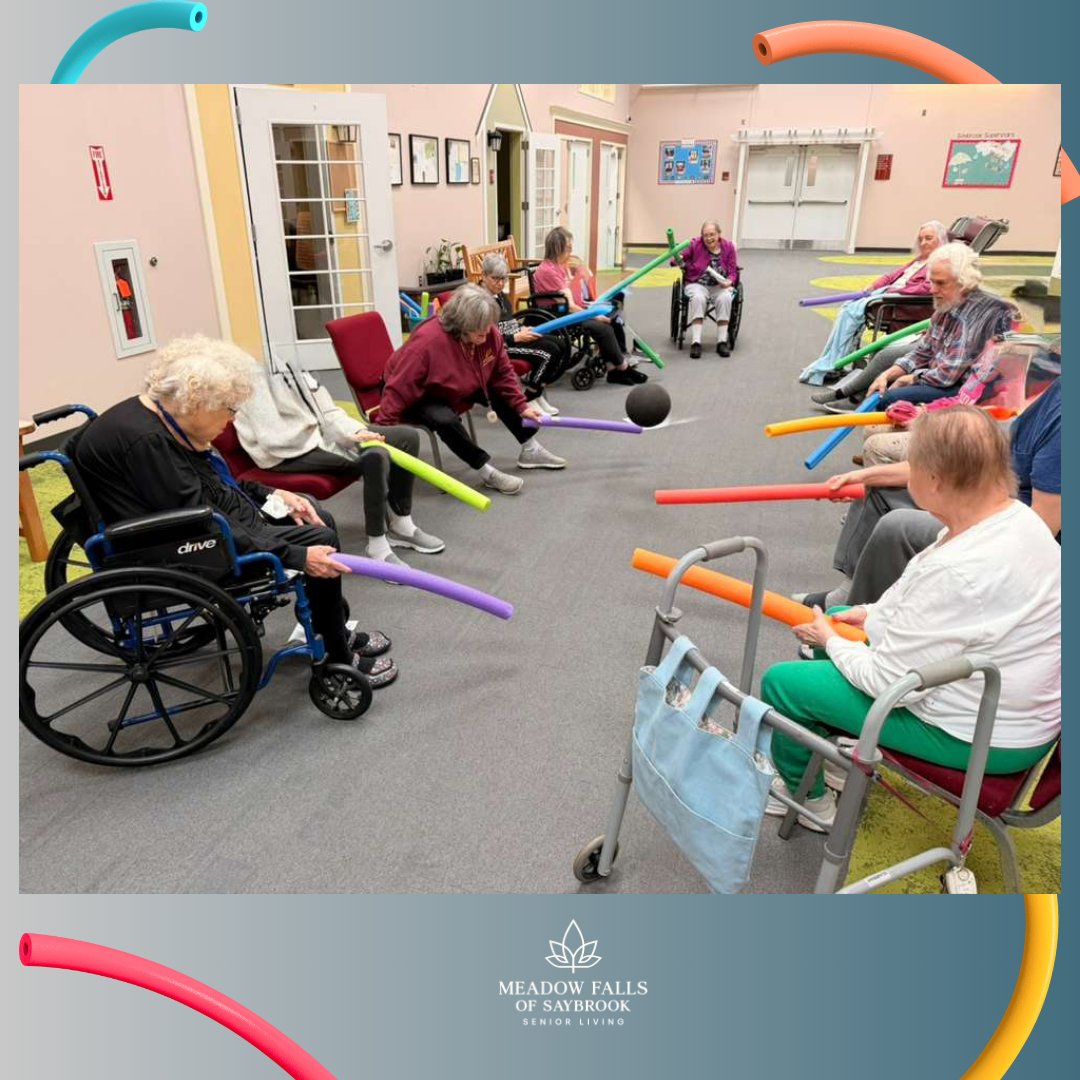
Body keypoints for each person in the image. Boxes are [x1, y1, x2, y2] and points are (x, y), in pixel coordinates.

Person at [764, 407, 1060, 830]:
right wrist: (868, 615)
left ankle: (809, 802)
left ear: (935, 480)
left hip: (980, 737)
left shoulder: (959, 570)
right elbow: (937, 604)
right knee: (839, 618)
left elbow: (889, 682)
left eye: (913, 465)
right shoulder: (1013, 518)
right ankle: (834, 762)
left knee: (783, 683)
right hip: (1013, 712)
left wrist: (831, 640)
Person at [72, 335, 397, 687]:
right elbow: (200, 521)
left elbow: (209, 487)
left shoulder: (162, 417)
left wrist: (272, 493)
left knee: (315, 519)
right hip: (177, 549)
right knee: (318, 537)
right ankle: (337, 653)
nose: (233, 417)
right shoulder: (150, 443)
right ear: (197, 403)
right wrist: (296, 556)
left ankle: (329, 628)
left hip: (189, 525)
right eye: (228, 408)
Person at [796, 378, 1061, 611]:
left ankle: (856, 620)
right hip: (987, 501)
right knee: (877, 490)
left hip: (1002, 528)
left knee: (897, 526)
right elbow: (959, 463)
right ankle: (851, 593)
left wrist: (954, 543)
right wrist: (864, 477)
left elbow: (1038, 534)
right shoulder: (1054, 392)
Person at [233, 355, 443, 569]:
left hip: (318, 438)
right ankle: (377, 546)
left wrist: (356, 432)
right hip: (285, 453)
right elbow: (274, 439)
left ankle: (401, 524)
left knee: (407, 437)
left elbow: (328, 412)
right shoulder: (253, 380)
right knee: (375, 456)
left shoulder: (287, 364)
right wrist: (336, 441)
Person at [378, 284, 562, 494]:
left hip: (458, 381)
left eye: (488, 326)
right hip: (421, 392)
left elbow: (503, 373)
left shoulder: (488, 333)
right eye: (479, 330)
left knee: (500, 389)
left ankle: (530, 449)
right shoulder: (427, 344)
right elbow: (398, 389)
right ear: (460, 325)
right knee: (445, 419)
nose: (486, 333)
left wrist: (522, 407)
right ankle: (486, 471)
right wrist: (383, 432)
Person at [811, 243, 1017, 410]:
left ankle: (898, 436)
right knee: (888, 376)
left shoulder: (978, 313)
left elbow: (947, 375)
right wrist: (888, 374)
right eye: (932, 282)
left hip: (972, 389)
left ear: (964, 283)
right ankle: (870, 414)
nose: (932, 289)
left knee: (890, 398)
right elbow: (924, 350)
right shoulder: (947, 304)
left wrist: (910, 378)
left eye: (940, 283)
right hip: (947, 374)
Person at [799, 221, 946, 384]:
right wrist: (873, 286)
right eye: (921, 239)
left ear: (940, 240)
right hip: (889, 294)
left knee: (851, 312)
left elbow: (927, 287)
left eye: (928, 238)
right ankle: (833, 359)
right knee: (847, 307)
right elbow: (891, 276)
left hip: (899, 300)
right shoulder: (919, 260)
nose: (923, 243)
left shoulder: (939, 263)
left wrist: (895, 291)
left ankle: (832, 362)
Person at [530, 226, 646, 386]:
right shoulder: (548, 271)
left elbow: (572, 296)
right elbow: (570, 306)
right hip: (558, 315)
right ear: (558, 248)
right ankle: (622, 368)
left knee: (611, 314)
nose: (571, 251)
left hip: (565, 311)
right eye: (568, 248)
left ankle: (614, 368)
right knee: (602, 327)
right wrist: (594, 315)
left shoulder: (558, 267)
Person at [479, 252, 570, 417]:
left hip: (514, 337)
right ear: (484, 276)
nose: (501, 283)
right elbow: (484, 336)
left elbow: (508, 321)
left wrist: (521, 328)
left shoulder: (500, 295)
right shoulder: (480, 301)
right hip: (499, 347)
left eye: (503, 279)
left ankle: (537, 392)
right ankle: (529, 397)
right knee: (547, 353)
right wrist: (515, 337)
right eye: (495, 279)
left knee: (559, 344)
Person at [678, 220, 740, 358]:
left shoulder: (729, 247)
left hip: (720, 285)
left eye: (712, 234)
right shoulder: (695, 244)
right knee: (698, 298)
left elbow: (733, 271)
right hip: (697, 283)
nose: (709, 238)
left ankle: (722, 342)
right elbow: (682, 256)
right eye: (705, 235)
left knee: (725, 298)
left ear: (719, 234)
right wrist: (679, 258)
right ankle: (696, 343)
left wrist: (729, 281)